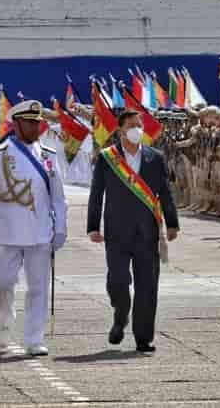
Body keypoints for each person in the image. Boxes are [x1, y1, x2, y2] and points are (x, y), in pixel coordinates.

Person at [0, 100, 68, 356]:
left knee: (38, 288)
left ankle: (34, 339)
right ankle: (5, 316)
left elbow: (58, 196)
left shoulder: (49, 156)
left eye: (38, 123)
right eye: (30, 123)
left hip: (40, 231)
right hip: (7, 230)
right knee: (3, 284)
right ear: (16, 125)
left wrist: (60, 227)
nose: (36, 127)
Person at [86, 109, 179, 353]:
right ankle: (120, 314)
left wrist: (172, 223)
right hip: (116, 232)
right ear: (120, 130)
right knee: (117, 281)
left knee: (147, 286)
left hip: (147, 232)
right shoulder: (108, 158)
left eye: (139, 124)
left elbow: (165, 192)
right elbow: (97, 194)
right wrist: (93, 227)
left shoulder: (154, 157)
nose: (137, 129)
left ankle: (143, 337)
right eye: (131, 125)